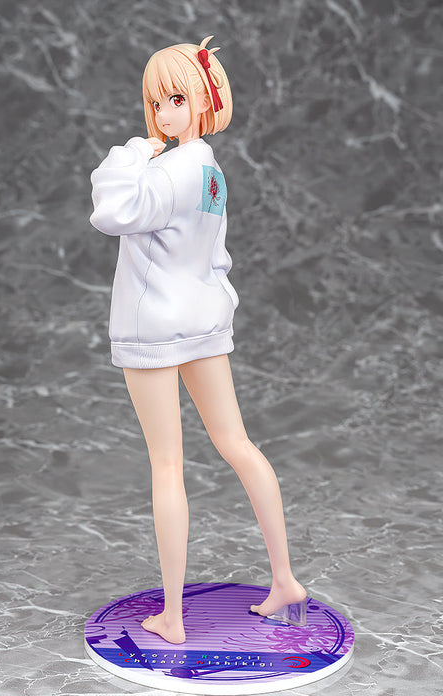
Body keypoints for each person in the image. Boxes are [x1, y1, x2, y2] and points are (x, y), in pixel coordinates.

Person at [89, 36, 306, 644]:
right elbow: (216, 254)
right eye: (156, 102)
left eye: (176, 99)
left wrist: (131, 152)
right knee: (237, 443)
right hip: (203, 319)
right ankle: (284, 579)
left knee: (167, 463)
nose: (163, 114)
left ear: (206, 99)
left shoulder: (168, 169)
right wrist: (218, 302)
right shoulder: (211, 171)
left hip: (155, 326)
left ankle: (173, 616)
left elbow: (113, 211)